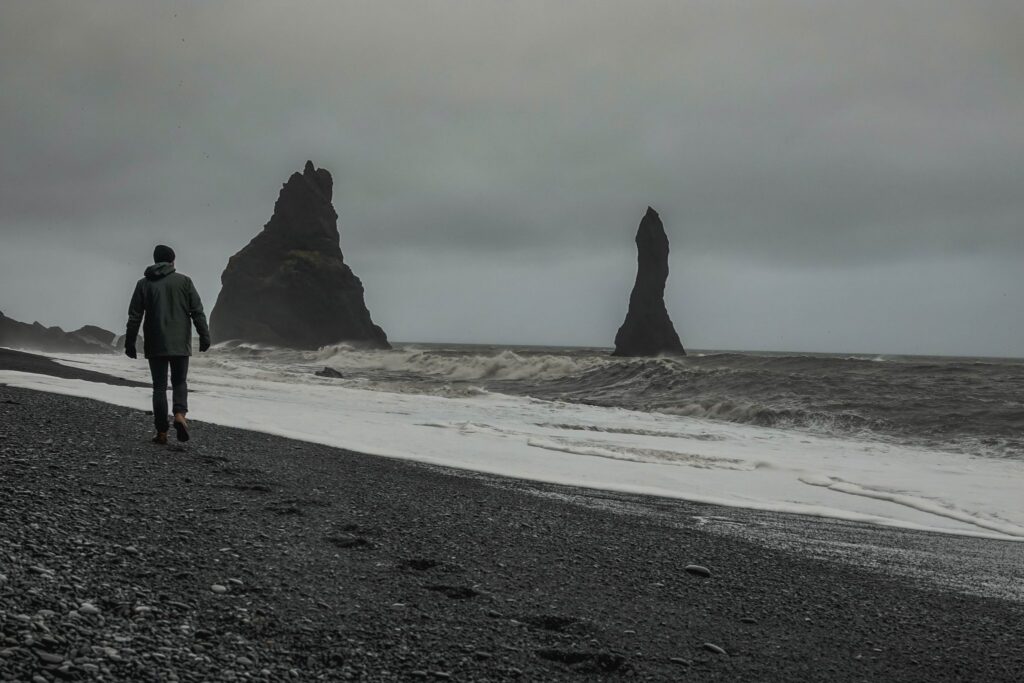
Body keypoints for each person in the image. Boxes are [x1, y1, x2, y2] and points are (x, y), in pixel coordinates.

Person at [125, 244, 211, 444]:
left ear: (155, 260)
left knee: (159, 387)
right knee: (180, 382)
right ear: (173, 261)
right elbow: (197, 311)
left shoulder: (143, 284)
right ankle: (180, 415)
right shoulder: (185, 282)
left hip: (155, 343)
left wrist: (130, 343)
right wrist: (204, 336)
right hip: (180, 342)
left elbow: (134, 316)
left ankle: (162, 432)